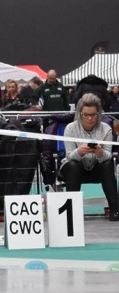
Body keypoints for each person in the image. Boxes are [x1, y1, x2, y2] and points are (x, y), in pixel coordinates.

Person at [59, 93, 118, 221]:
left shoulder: (106, 129)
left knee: (107, 164)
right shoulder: (70, 128)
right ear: (80, 114)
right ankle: (72, 211)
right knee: (73, 165)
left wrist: (100, 153)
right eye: (86, 115)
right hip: (74, 170)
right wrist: (80, 152)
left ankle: (115, 209)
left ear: (98, 114)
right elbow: (69, 156)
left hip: (97, 168)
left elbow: (108, 155)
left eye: (93, 115)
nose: (90, 118)